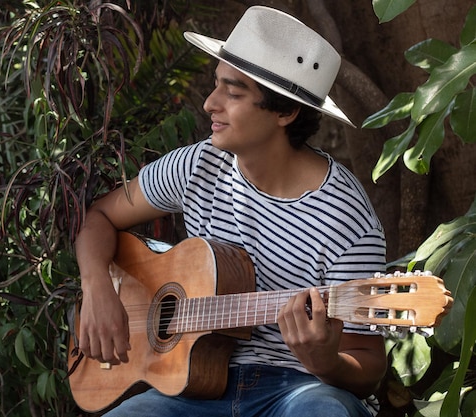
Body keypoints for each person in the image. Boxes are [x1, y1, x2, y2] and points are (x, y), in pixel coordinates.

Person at [74, 5, 387, 417]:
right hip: (191, 390)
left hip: (299, 390)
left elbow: (369, 362)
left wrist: (327, 362)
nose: (209, 103)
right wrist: (97, 287)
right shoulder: (197, 166)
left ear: (285, 112)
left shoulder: (346, 218)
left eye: (233, 92)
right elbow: (98, 218)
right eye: (216, 85)